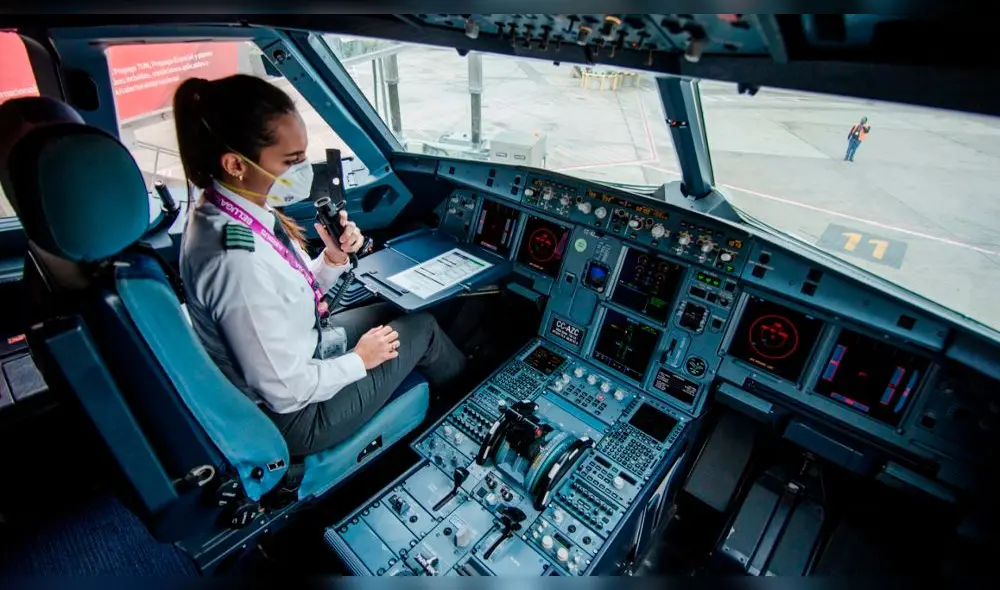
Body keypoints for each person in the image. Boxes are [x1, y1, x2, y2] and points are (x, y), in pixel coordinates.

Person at [173, 74, 466, 457]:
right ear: (235, 164)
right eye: (291, 161)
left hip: (304, 350)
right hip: (295, 417)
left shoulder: (234, 212)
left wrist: (332, 259)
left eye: (303, 155)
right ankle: (469, 399)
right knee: (422, 329)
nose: (303, 170)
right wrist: (359, 360)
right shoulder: (233, 262)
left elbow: (283, 297)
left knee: (399, 308)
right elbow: (285, 389)